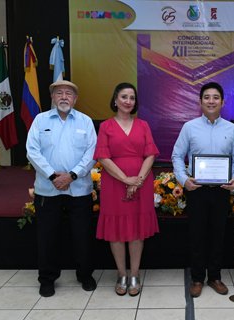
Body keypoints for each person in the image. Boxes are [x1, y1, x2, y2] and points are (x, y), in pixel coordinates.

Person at [26, 80, 98, 297]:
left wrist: (72, 175)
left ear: (75, 99)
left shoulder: (85, 122)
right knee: (47, 237)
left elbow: (92, 153)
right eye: (59, 93)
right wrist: (52, 175)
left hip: (79, 189)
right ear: (53, 98)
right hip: (48, 190)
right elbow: (32, 151)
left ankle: (85, 275)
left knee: (82, 236)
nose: (64, 97)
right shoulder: (40, 120)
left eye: (69, 94)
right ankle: (47, 279)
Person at [172, 82, 234, 297]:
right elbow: (177, 155)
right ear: (200, 101)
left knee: (217, 235)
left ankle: (214, 277)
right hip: (197, 191)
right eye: (207, 97)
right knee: (197, 236)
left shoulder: (231, 129)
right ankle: (196, 278)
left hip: (221, 190)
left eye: (215, 97)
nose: (211, 101)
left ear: (223, 102)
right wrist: (184, 180)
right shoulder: (190, 127)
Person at [93, 82, 159, 296]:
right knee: (117, 232)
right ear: (115, 100)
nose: (128, 101)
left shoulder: (143, 125)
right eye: (124, 97)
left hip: (141, 182)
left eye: (132, 97)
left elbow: (150, 154)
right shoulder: (106, 127)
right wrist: (126, 180)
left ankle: (134, 274)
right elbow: (103, 157)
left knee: (137, 230)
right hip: (114, 183)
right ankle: (121, 274)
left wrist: (137, 180)